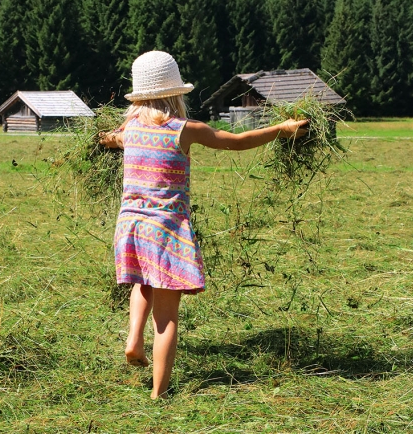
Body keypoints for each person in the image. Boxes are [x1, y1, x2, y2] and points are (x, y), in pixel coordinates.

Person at [100, 50, 306, 399]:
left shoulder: (128, 130)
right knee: (166, 318)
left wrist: (102, 137)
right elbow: (238, 142)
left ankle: (134, 339)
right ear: (175, 93)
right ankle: (158, 394)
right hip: (165, 231)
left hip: (130, 227)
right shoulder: (185, 129)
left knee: (141, 283)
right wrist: (282, 130)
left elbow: (105, 138)